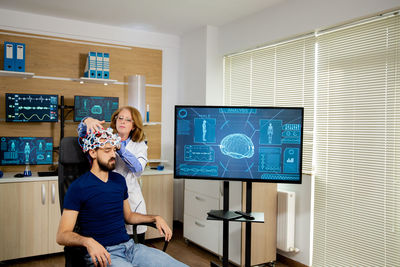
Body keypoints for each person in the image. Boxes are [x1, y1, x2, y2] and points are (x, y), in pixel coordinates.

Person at [56, 128, 187, 267]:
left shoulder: (118, 180)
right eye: (107, 150)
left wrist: (155, 218)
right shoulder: (78, 187)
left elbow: (129, 216)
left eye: (114, 149)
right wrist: (88, 242)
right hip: (104, 253)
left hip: (131, 248)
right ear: (93, 152)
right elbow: (62, 235)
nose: (113, 155)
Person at [78, 106, 148, 243]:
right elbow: (82, 138)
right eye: (120, 118)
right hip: (106, 199)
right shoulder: (104, 139)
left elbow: (138, 169)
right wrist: (86, 120)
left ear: (134, 126)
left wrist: (120, 147)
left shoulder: (139, 145)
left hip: (132, 202)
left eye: (128, 120)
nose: (122, 122)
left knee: (135, 248)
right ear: (115, 120)